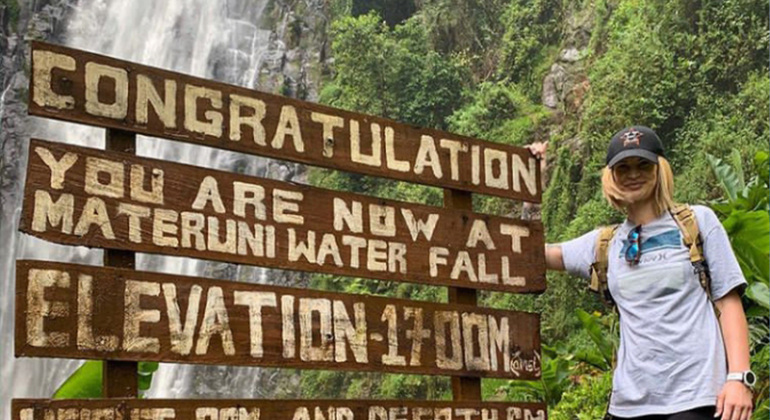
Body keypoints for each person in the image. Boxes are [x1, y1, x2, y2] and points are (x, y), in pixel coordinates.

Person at [529, 126, 754, 420]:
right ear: (611, 177)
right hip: (629, 405)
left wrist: (739, 378)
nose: (633, 174)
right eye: (623, 168)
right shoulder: (604, 243)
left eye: (643, 165)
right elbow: (532, 253)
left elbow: (728, 300)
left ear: (660, 169)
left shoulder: (697, 222)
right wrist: (528, 188)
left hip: (695, 398)